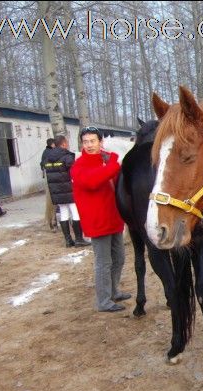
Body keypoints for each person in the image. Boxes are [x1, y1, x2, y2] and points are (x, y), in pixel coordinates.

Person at [70, 126, 130, 313]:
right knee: (103, 262)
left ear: (100, 142)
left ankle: (113, 291)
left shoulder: (105, 161)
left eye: (92, 141)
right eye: (85, 142)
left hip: (113, 218)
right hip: (97, 222)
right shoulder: (78, 167)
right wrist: (113, 162)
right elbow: (93, 181)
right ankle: (104, 300)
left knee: (119, 258)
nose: (89, 145)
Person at [44, 135, 90, 248]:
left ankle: (68, 240)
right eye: (67, 142)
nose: (68, 144)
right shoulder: (67, 156)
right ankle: (79, 239)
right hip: (69, 190)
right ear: (63, 144)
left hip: (56, 191)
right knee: (75, 212)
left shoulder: (48, 157)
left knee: (64, 213)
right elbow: (73, 172)